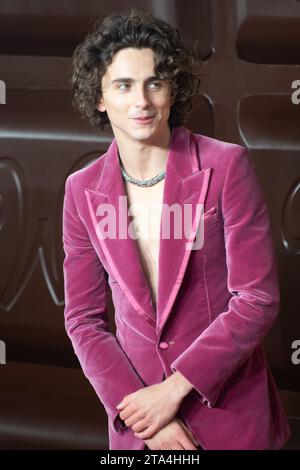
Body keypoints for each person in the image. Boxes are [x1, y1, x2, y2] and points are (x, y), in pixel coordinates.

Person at [62, 8, 291, 450]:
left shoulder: (227, 166)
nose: (141, 101)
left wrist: (173, 392)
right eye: (123, 85)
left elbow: (257, 299)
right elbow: (84, 321)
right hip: (139, 426)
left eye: (154, 82)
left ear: (172, 88)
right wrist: (147, 416)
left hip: (230, 416)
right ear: (100, 98)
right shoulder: (80, 189)